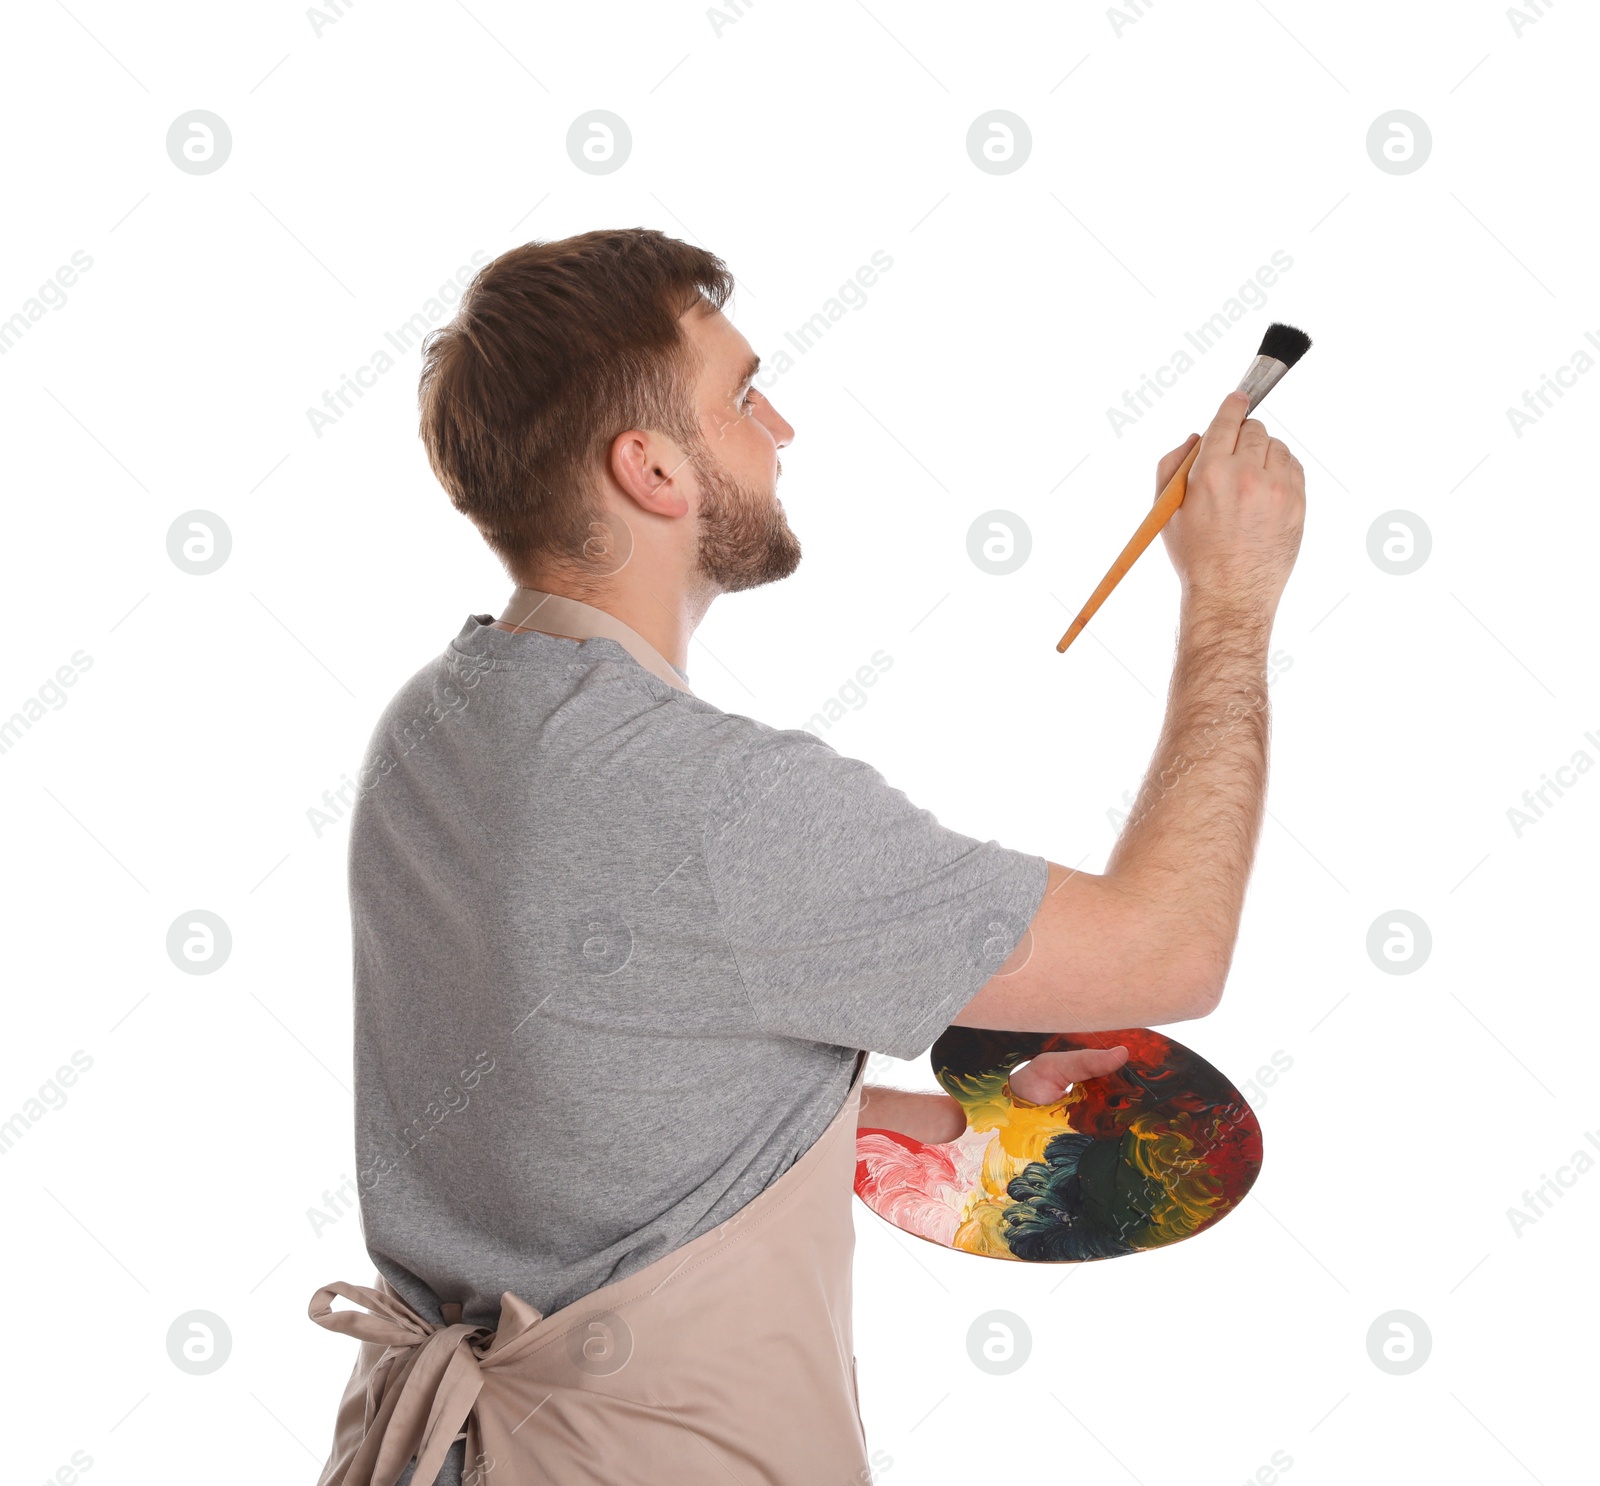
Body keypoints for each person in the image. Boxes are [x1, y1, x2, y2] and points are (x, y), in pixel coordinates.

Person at [307, 228, 1305, 1486]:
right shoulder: (715, 803)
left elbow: (572, 1094)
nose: (779, 427)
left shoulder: (438, 725)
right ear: (652, 469)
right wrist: (1232, 597)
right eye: (741, 394)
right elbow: (1171, 947)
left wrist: (923, 1121)